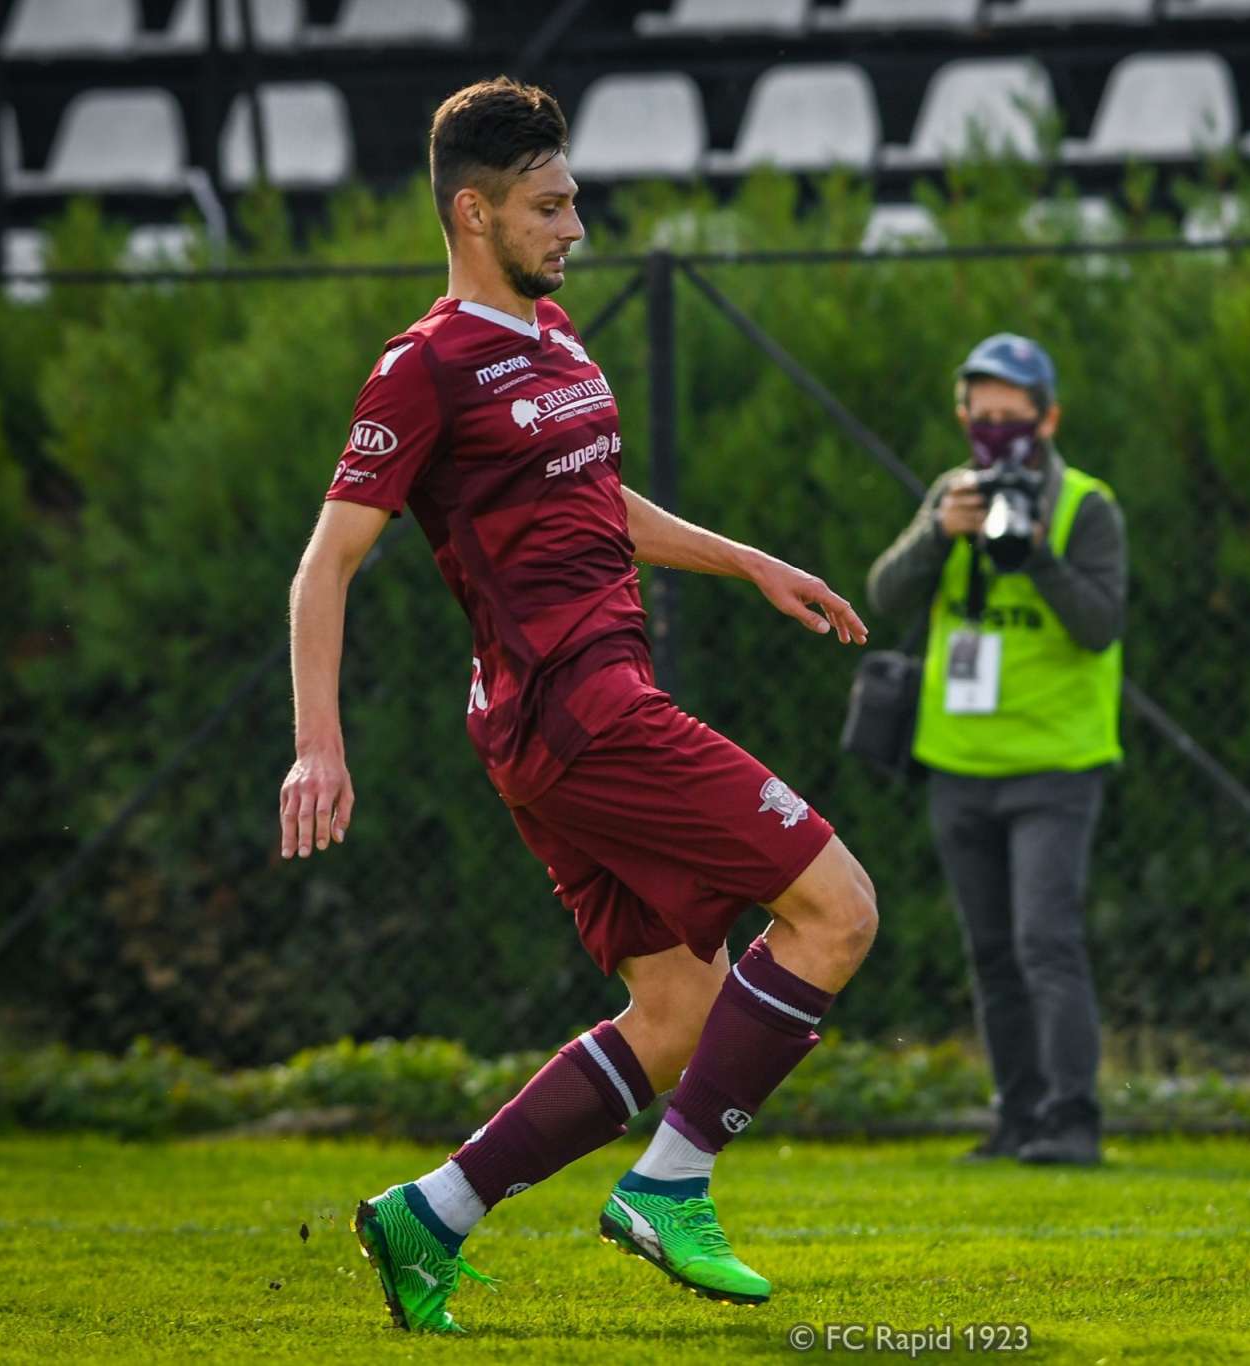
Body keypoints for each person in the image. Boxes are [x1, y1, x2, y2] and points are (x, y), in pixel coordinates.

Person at [276, 77, 877, 1334]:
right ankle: (672, 1184)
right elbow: (325, 563)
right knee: (836, 909)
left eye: (575, 200)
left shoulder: (557, 345)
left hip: (570, 717)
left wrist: (754, 563)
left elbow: (605, 499)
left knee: (679, 1012)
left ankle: (428, 1212)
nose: (575, 227)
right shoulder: (425, 365)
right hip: (576, 712)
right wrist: (314, 747)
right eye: (549, 206)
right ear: (472, 212)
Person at [865, 334, 1126, 1167]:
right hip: (959, 762)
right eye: (984, 416)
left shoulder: (1088, 505)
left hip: (1056, 762)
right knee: (990, 952)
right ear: (963, 417)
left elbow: (1099, 626)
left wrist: (1035, 553)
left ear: (1048, 419)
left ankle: (1072, 1121)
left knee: (1045, 940)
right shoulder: (954, 493)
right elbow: (882, 594)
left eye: (1014, 418)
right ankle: (1016, 1117)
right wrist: (942, 534)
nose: (997, 432)